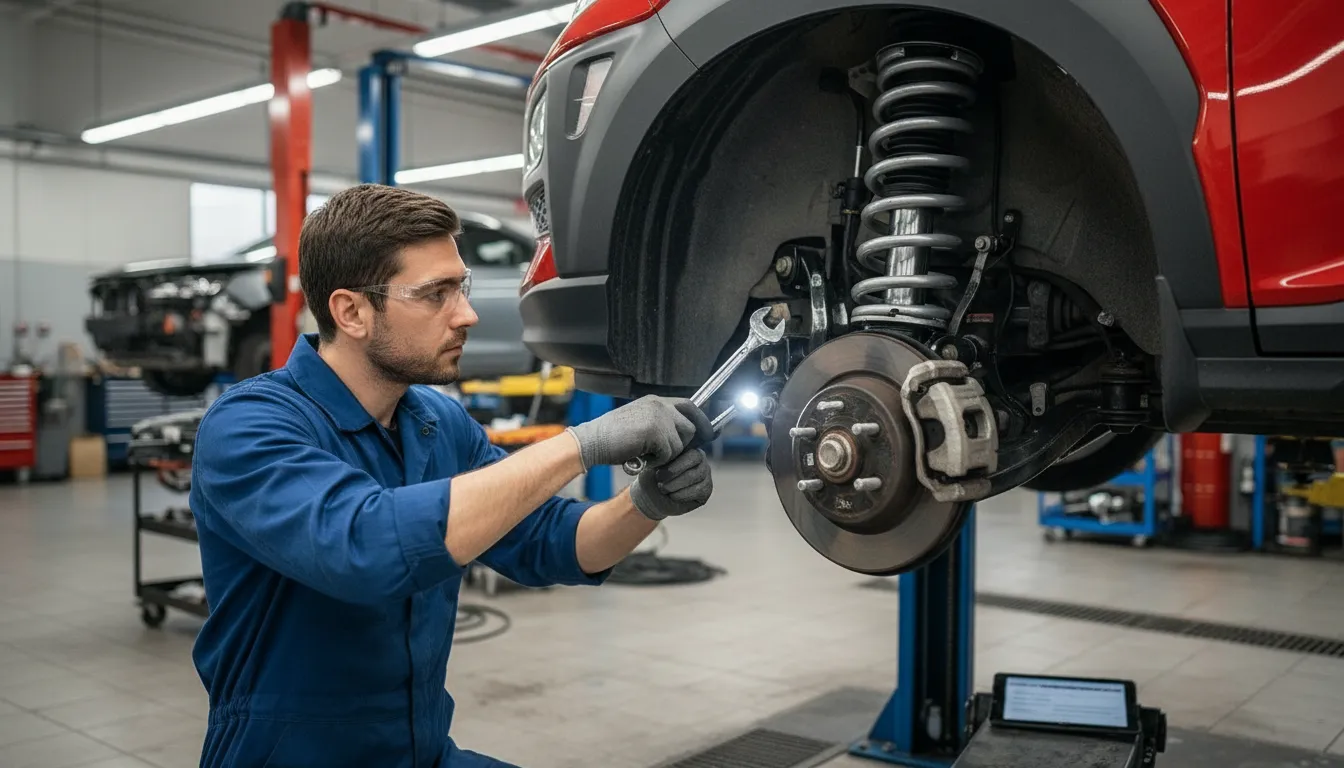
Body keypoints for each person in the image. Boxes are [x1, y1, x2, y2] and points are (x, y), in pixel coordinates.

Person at [188, 184, 716, 767]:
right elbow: (364, 548)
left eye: (460, 287)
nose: (465, 314)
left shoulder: (438, 423)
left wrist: (644, 503)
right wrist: (579, 445)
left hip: (419, 753)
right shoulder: (249, 426)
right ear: (351, 312)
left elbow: (553, 544)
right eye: (435, 294)